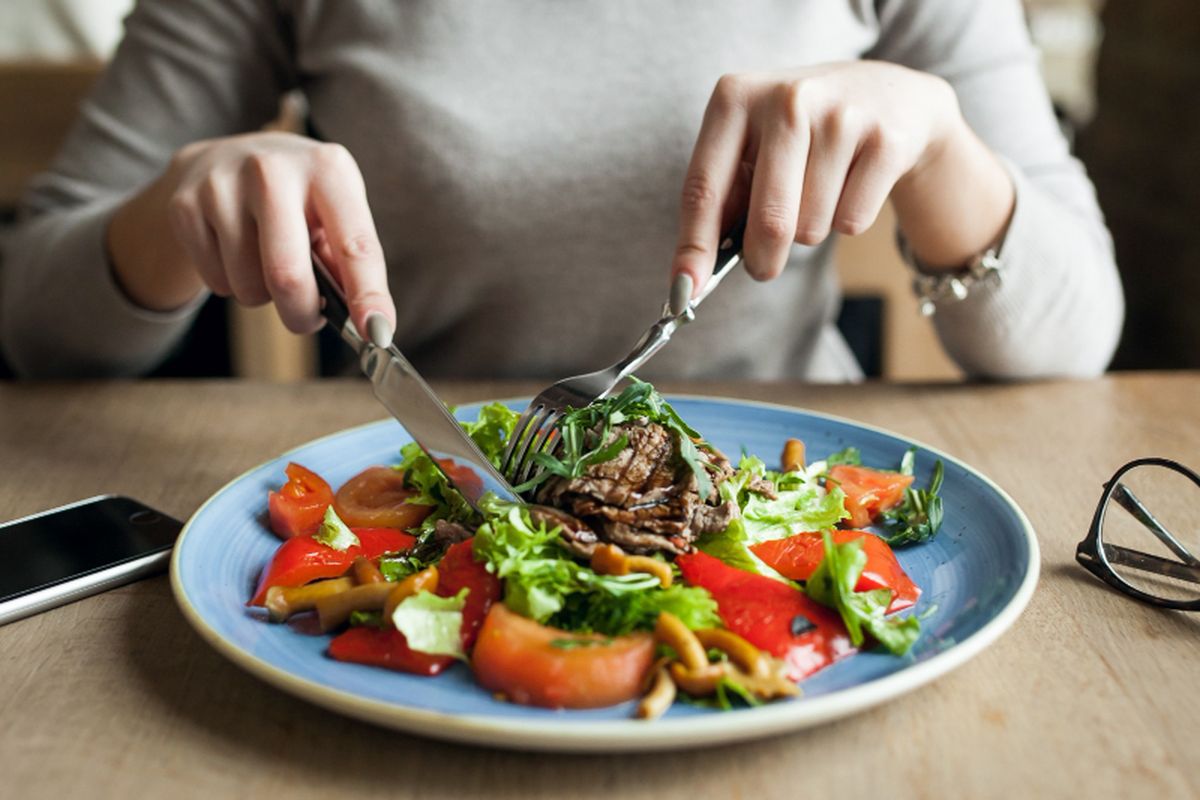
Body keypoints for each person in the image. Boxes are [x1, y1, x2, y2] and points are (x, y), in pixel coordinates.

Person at [0, 1, 1123, 381]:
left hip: (788, 525)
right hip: (425, 513)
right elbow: (36, 322)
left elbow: (1079, 336)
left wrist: (940, 150)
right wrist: (176, 209)